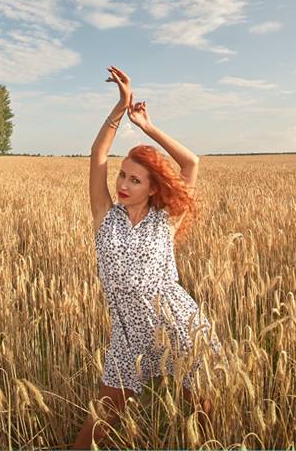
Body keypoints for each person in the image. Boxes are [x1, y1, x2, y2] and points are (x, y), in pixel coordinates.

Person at [71, 65, 226, 450]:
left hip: (179, 326)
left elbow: (191, 164)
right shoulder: (105, 216)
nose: (122, 184)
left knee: (203, 418)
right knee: (98, 426)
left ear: (153, 186)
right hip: (127, 336)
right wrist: (121, 107)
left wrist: (148, 127)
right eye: (122, 175)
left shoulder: (166, 220)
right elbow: (98, 153)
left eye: (135, 180)